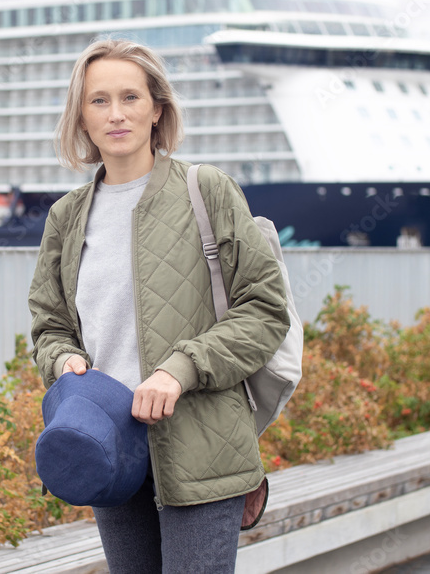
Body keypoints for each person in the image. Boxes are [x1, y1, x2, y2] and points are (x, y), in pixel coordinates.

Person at [27, 39, 290, 573]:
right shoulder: (67, 216)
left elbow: (264, 310)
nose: (117, 114)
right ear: (81, 116)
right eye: (99, 101)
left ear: (157, 109)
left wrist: (180, 369)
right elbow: (49, 325)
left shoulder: (205, 189)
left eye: (131, 97)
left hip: (200, 443)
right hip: (108, 443)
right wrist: (61, 361)